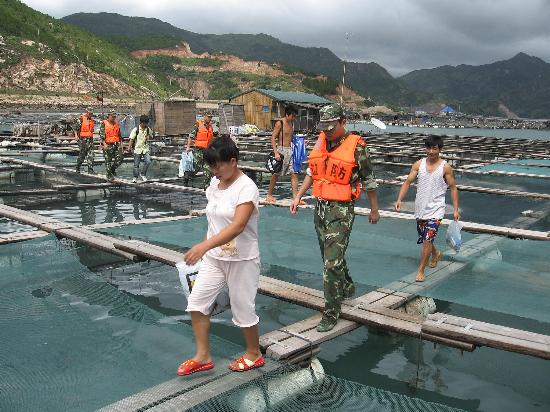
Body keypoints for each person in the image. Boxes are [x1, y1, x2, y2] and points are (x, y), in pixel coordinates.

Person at [178, 136, 264, 376]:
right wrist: (208, 249)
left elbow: (237, 226)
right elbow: (215, 220)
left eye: (218, 165)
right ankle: (203, 356)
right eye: (211, 166)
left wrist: (203, 246)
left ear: (233, 161)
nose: (214, 171)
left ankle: (253, 354)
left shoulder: (247, 188)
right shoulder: (215, 185)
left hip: (242, 259)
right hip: (215, 259)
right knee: (197, 303)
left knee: (243, 309)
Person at [290, 103, 380, 333]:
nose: (328, 131)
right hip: (320, 207)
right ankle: (347, 286)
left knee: (331, 263)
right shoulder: (322, 140)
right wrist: (298, 196)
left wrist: (374, 209)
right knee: (330, 257)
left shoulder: (357, 147)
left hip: (341, 210)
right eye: (325, 127)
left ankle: (331, 312)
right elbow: (312, 172)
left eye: (332, 127)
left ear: (343, 122)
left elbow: (369, 180)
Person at [394, 135, 460, 282]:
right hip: (420, 209)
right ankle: (436, 254)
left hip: (436, 210)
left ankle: (421, 270)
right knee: (426, 238)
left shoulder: (445, 168)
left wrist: (455, 209)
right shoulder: (419, 164)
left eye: (434, 148)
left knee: (427, 240)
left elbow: (453, 188)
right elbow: (407, 182)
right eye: (428, 148)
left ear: (440, 150)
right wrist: (399, 199)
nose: (431, 151)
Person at [265, 105, 299, 203]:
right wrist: (276, 153)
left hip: (290, 150)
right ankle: (269, 195)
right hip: (281, 151)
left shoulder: (291, 123)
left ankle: (295, 197)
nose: (294, 118)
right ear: (287, 114)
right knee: (276, 174)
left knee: (294, 173)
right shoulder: (280, 123)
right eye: (293, 116)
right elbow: (273, 138)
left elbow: (291, 138)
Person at [183, 112, 214, 185]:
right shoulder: (197, 124)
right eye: (208, 117)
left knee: (208, 169)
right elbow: (191, 136)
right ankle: (187, 176)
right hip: (198, 151)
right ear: (204, 116)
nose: (210, 119)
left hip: (207, 151)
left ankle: (206, 187)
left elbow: (211, 138)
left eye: (211, 117)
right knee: (196, 168)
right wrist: (188, 147)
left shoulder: (210, 127)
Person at [100, 111, 124, 181]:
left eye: (114, 116)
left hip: (116, 144)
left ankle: (112, 170)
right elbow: (102, 136)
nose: (114, 118)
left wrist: (121, 146)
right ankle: (109, 174)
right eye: (112, 116)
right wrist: (104, 144)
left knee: (120, 158)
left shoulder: (116, 124)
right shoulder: (104, 123)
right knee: (108, 160)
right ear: (109, 116)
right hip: (108, 144)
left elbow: (119, 136)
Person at [128, 114, 152, 183]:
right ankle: (135, 177)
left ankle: (143, 174)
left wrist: (150, 136)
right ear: (141, 123)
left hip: (145, 149)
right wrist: (129, 148)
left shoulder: (147, 129)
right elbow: (131, 139)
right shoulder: (136, 130)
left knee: (148, 161)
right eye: (145, 123)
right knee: (136, 165)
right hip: (137, 149)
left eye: (147, 123)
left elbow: (151, 135)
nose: (146, 125)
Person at [75, 108, 95, 174]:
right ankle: (78, 167)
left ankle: (90, 169)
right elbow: (75, 128)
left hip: (90, 140)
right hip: (83, 140)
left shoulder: (92, 120)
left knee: (91, 154)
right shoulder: (81, 119)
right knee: (82, 155)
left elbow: (92, 130)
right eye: (90, 113)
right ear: (86, 113)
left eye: (92, 114)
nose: (91, 115)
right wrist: (76, 136)